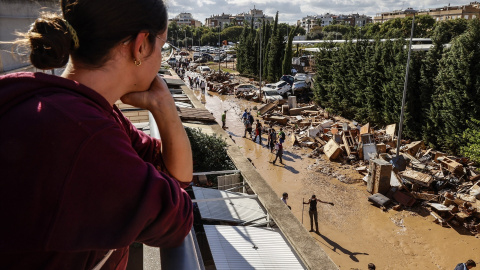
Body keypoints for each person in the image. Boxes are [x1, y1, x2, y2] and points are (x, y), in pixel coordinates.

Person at [0, 1, 193, 269]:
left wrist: (165, 109)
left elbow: (173, 174)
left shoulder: (75, 109)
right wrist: (168, 111)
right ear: (141, 45)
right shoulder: (84, 136)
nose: (161, 58)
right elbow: (177, 219)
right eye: (162, 47)